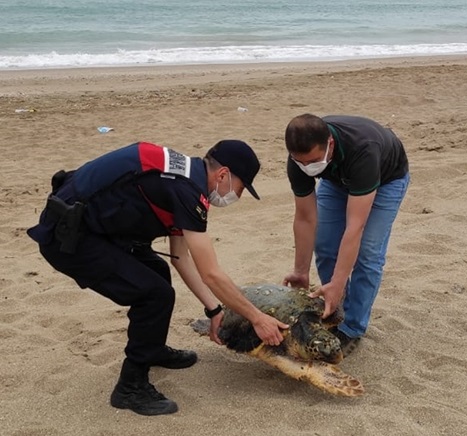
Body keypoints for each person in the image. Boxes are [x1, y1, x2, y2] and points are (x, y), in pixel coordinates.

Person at [27, 140, 288, 416]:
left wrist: (214, 310)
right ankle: (131, 386)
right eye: (241, 188)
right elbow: (211, 273)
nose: (239, 195)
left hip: (93, 228)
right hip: (69, 238)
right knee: (154, 295)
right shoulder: (188, 190)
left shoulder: (186, 175)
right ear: (223, 174)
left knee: (157, 272)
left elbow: (180, 259)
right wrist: (257, 318)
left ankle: (152, 349)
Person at [282, 114, 410, 356]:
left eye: (313, 161)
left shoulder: (363, 148)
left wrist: (339, 282)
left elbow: (355, 227)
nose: (308, 168)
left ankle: (352, 328)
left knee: (368, 253)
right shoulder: (298, 161)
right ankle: (336, 313)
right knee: (325, 243)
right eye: (301, 163)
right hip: (336, 181)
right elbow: (305, 217)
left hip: (385, 180)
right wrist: (300, 270)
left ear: (330, 143)